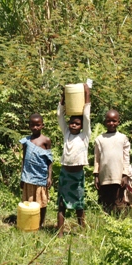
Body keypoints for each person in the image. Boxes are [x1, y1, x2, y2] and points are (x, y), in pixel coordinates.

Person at [57, 83, 91, 235]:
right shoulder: (66, 134)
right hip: (65, 174)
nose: (73, 125)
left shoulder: (84, 136)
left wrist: (87, 93)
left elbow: (87, 116)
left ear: (82, 126)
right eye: (71, 123)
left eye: (77, 124)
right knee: (61, 204)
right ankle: (59, 232)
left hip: (77, 176)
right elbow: (60, 116)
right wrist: (64, 97)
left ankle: (82, 230)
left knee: (79, 204)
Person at [93, 109, 132, 214]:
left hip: (118, 176)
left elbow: (126, 158)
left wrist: (125, 174)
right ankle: (107, 220)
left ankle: (120, 221)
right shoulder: (100, 139)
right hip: (104, 176)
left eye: (114, 121)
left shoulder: (122, 138)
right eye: (108, 121)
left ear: (118, 122)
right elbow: (97, 159)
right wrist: (96, 175)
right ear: (105, 122)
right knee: (106, 201)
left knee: (119, 201)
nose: (111, 123)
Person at [20, 113, 53, 228]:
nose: (35, 127)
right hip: (28, 177)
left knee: (41, 202)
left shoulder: (46, 141)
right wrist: (22, 177)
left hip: (41, 176)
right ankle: (29, 222)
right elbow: (24, 159)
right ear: (29, 125)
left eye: (38, 125)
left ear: (42, 125)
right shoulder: (26, 141)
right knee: (28, 201)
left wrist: (49, 177)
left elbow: (49, 160)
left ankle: (41, 223)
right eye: (32, 125)